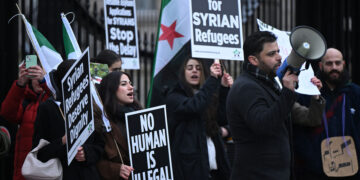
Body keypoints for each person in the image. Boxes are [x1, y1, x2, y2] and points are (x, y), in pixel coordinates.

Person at [226, 31, 325, 180]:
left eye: (278, 51)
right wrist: (287, 92)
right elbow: (263, 124)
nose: (279, 57)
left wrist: (315, 96)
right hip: (256, 175)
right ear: (253, 60)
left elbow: (310, 119)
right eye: (271, 54)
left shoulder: (269, 85)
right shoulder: (247, 87)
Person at [293, 48, 360, 179]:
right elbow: (299, 129)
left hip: (351, 167)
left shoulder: (355, 93)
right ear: (320, 65)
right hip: (315, 170)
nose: (334, 67)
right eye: (329, 63)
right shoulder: (307, 92)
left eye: (338, 63)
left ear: (344, 64)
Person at [32, 60, 104, 179]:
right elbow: (40, 153)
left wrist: (86, 153)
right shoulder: (48, 108)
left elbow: (100, 146)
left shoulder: (90, 105)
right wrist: (63, 141)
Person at [165, 57, 232, 180]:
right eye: (190, 68)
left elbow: (221, 117)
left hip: (214, 166)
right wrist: (212, 79)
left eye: (198, 68)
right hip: (190, 169)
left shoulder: (206, 93)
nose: (194, 71)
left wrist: (223, 88)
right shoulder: (174, 96)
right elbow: (194, 106)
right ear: (183, 73)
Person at [0, 63, 51, 180]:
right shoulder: (27, 100)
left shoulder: (51, 99)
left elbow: (58, 103)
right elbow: (7, 113)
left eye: (42, 73)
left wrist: (45, 82)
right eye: (34, 74)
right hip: (22, 172)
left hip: (45, 173)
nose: (37, 79)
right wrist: (20, 83)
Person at [97, 71, 142, 180]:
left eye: (130, 83)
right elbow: (95, 160)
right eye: (123, 84)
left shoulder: (141, 115)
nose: (131, 87)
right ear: (111, 89)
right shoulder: (103, 121)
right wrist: (117, 169)